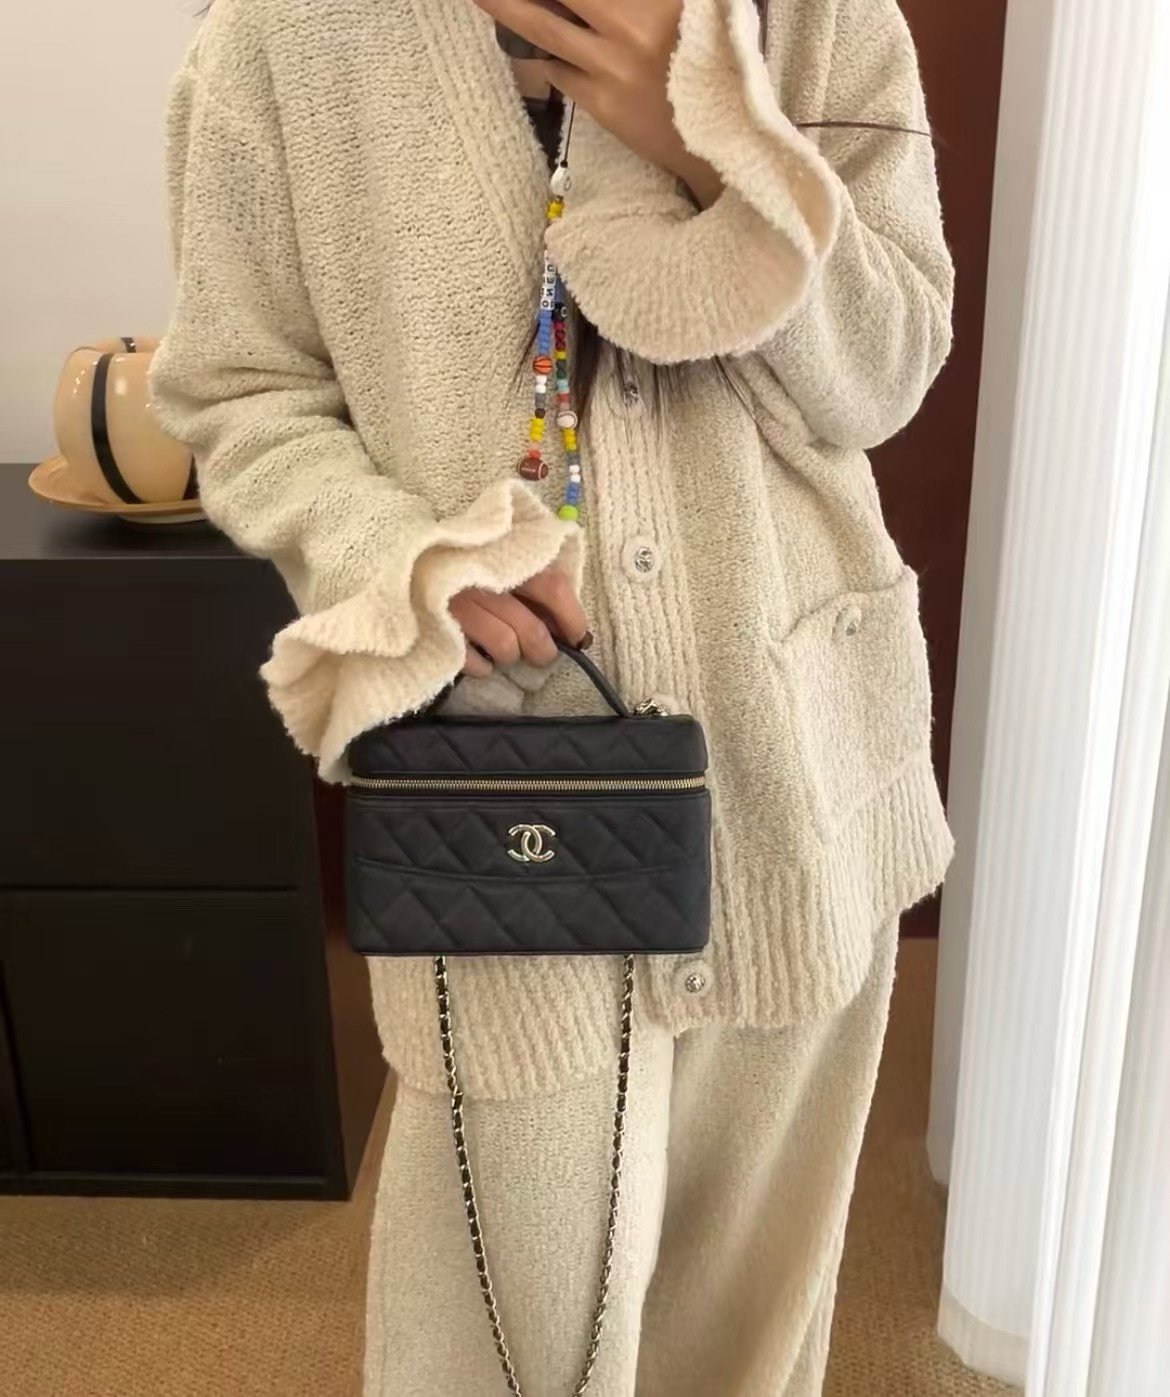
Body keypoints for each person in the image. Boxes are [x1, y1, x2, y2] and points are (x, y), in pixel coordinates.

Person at [151, 0, 955, 1391]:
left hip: (795, 767)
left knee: (747, 1339)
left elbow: (885, 373)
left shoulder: (815, 13)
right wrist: (401, 558)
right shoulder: (286, 33)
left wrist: (712, 140)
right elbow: (242, 394)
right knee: (489, 1343)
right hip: (498, 790)